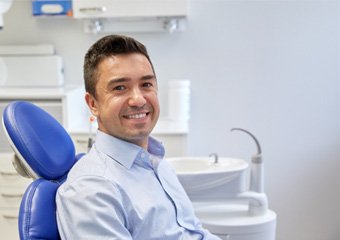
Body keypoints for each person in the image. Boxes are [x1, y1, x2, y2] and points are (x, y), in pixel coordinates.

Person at [56, 35, 220, 240]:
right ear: (93, 104)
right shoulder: (91, 190)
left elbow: (194, 232)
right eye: (119, 88)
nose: (138, 99)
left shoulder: (155, 162)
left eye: (146, 85)